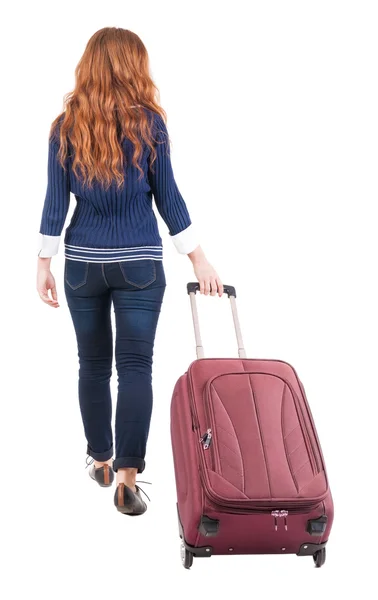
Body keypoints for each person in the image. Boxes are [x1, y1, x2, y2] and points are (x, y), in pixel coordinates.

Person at [36, 27, 223, 516]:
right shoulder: (150, 125)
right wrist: (198, 258)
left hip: (82, 266)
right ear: (133, 66)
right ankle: (126, 477)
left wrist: (42, 264)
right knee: (136, 367)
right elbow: (169, 198)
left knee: (92, 366)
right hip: (140, 261)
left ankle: (99, 458)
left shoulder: (65, 126)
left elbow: (55, 205)